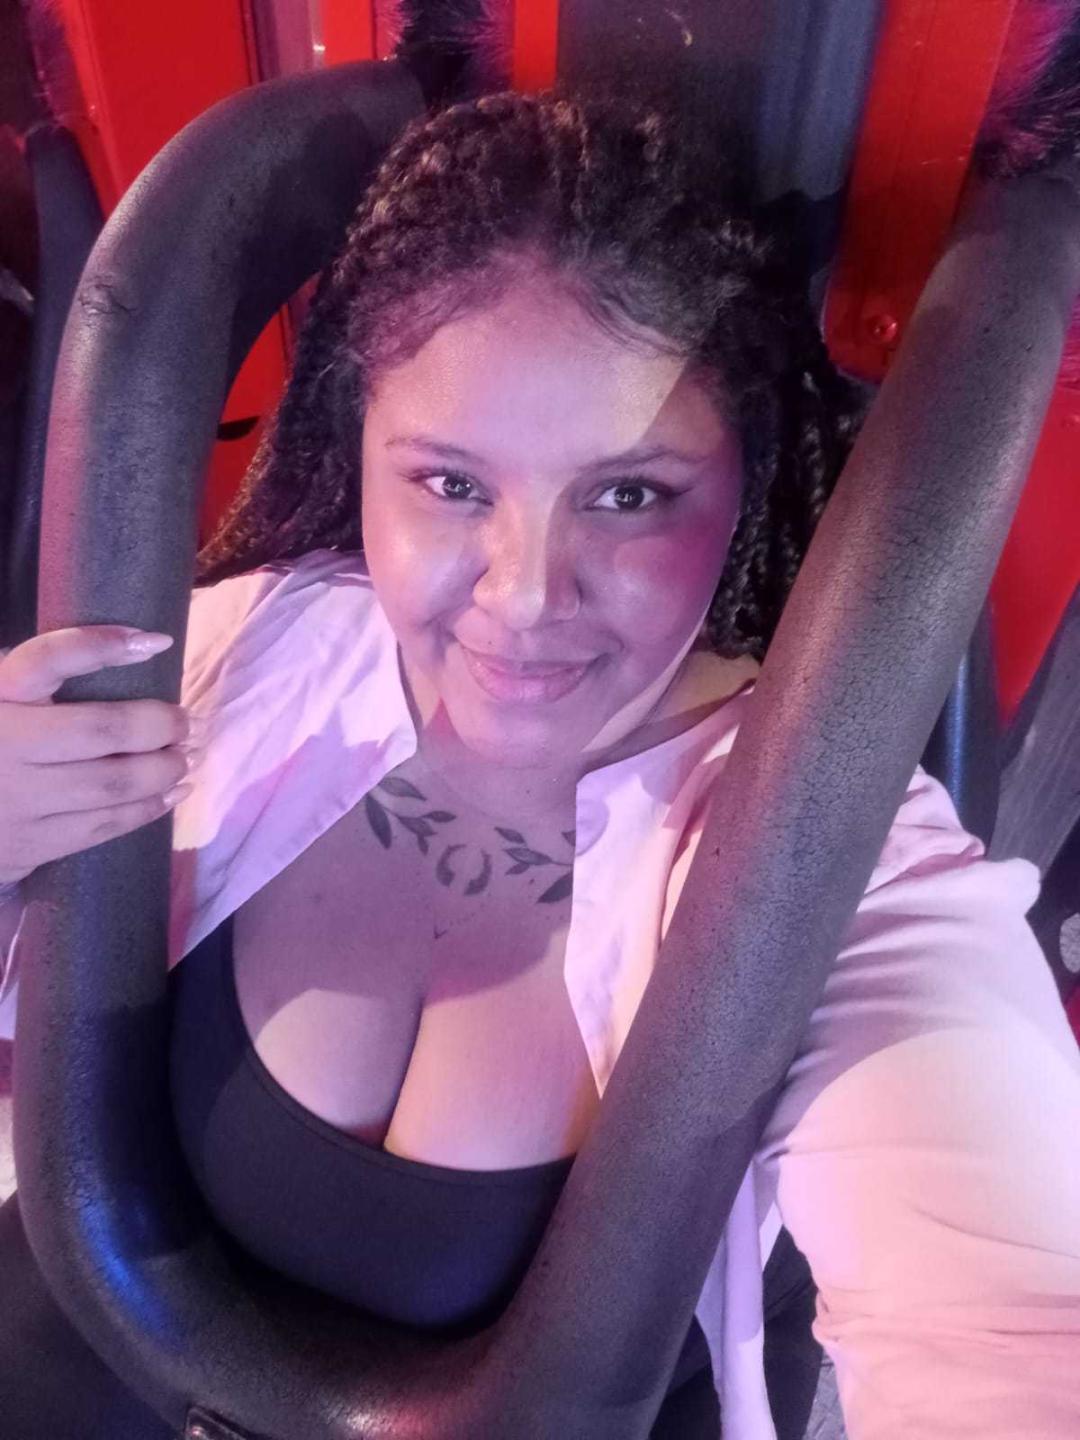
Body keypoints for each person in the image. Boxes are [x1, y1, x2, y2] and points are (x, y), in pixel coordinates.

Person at [0, 88, 1078, 1440]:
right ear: (359, 453)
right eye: (451, 485)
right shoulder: (239, 655)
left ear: (742, 485)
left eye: (627, 496)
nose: (521, 596)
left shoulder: (837, 861)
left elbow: (1010, 1326)